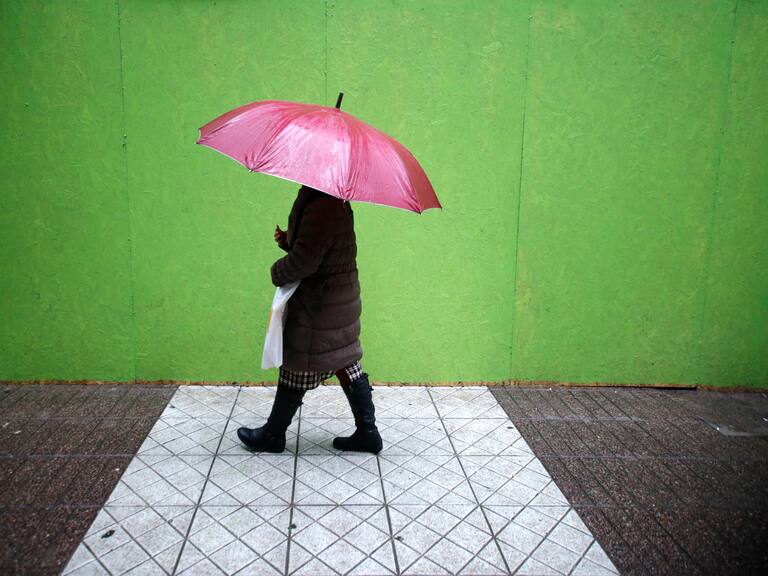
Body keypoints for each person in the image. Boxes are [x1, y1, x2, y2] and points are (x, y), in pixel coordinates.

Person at [237, 185, 383, 454]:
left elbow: (305, 261)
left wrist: (277, 271)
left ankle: (273, 434)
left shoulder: (322, 206)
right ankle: (368, 432)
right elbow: (319, 246)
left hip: (321, 306)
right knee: (347, 363)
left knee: (298, 365)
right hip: (338, 298)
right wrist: (289, 241)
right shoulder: (332, 199)